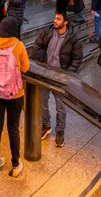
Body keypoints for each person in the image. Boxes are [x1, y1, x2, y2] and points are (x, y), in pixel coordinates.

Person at [0, 16, 29, 178]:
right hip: (15, 94)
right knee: (13, 129)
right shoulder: (18, 45)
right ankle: (15, 164)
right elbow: (26, 67)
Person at [30, 13, 83, 147]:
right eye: (54, 18)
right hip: (45, 74)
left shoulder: (73, 38)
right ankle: (45, 125)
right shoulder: (47, 32)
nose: (55, 21)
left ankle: (60, 131)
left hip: (60, 78)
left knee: (61, 107)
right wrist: (39, 65)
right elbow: (36, 47)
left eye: (58, 19)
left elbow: (77, 58)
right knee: (42, 102)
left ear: (65, 22)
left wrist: (67, 74)